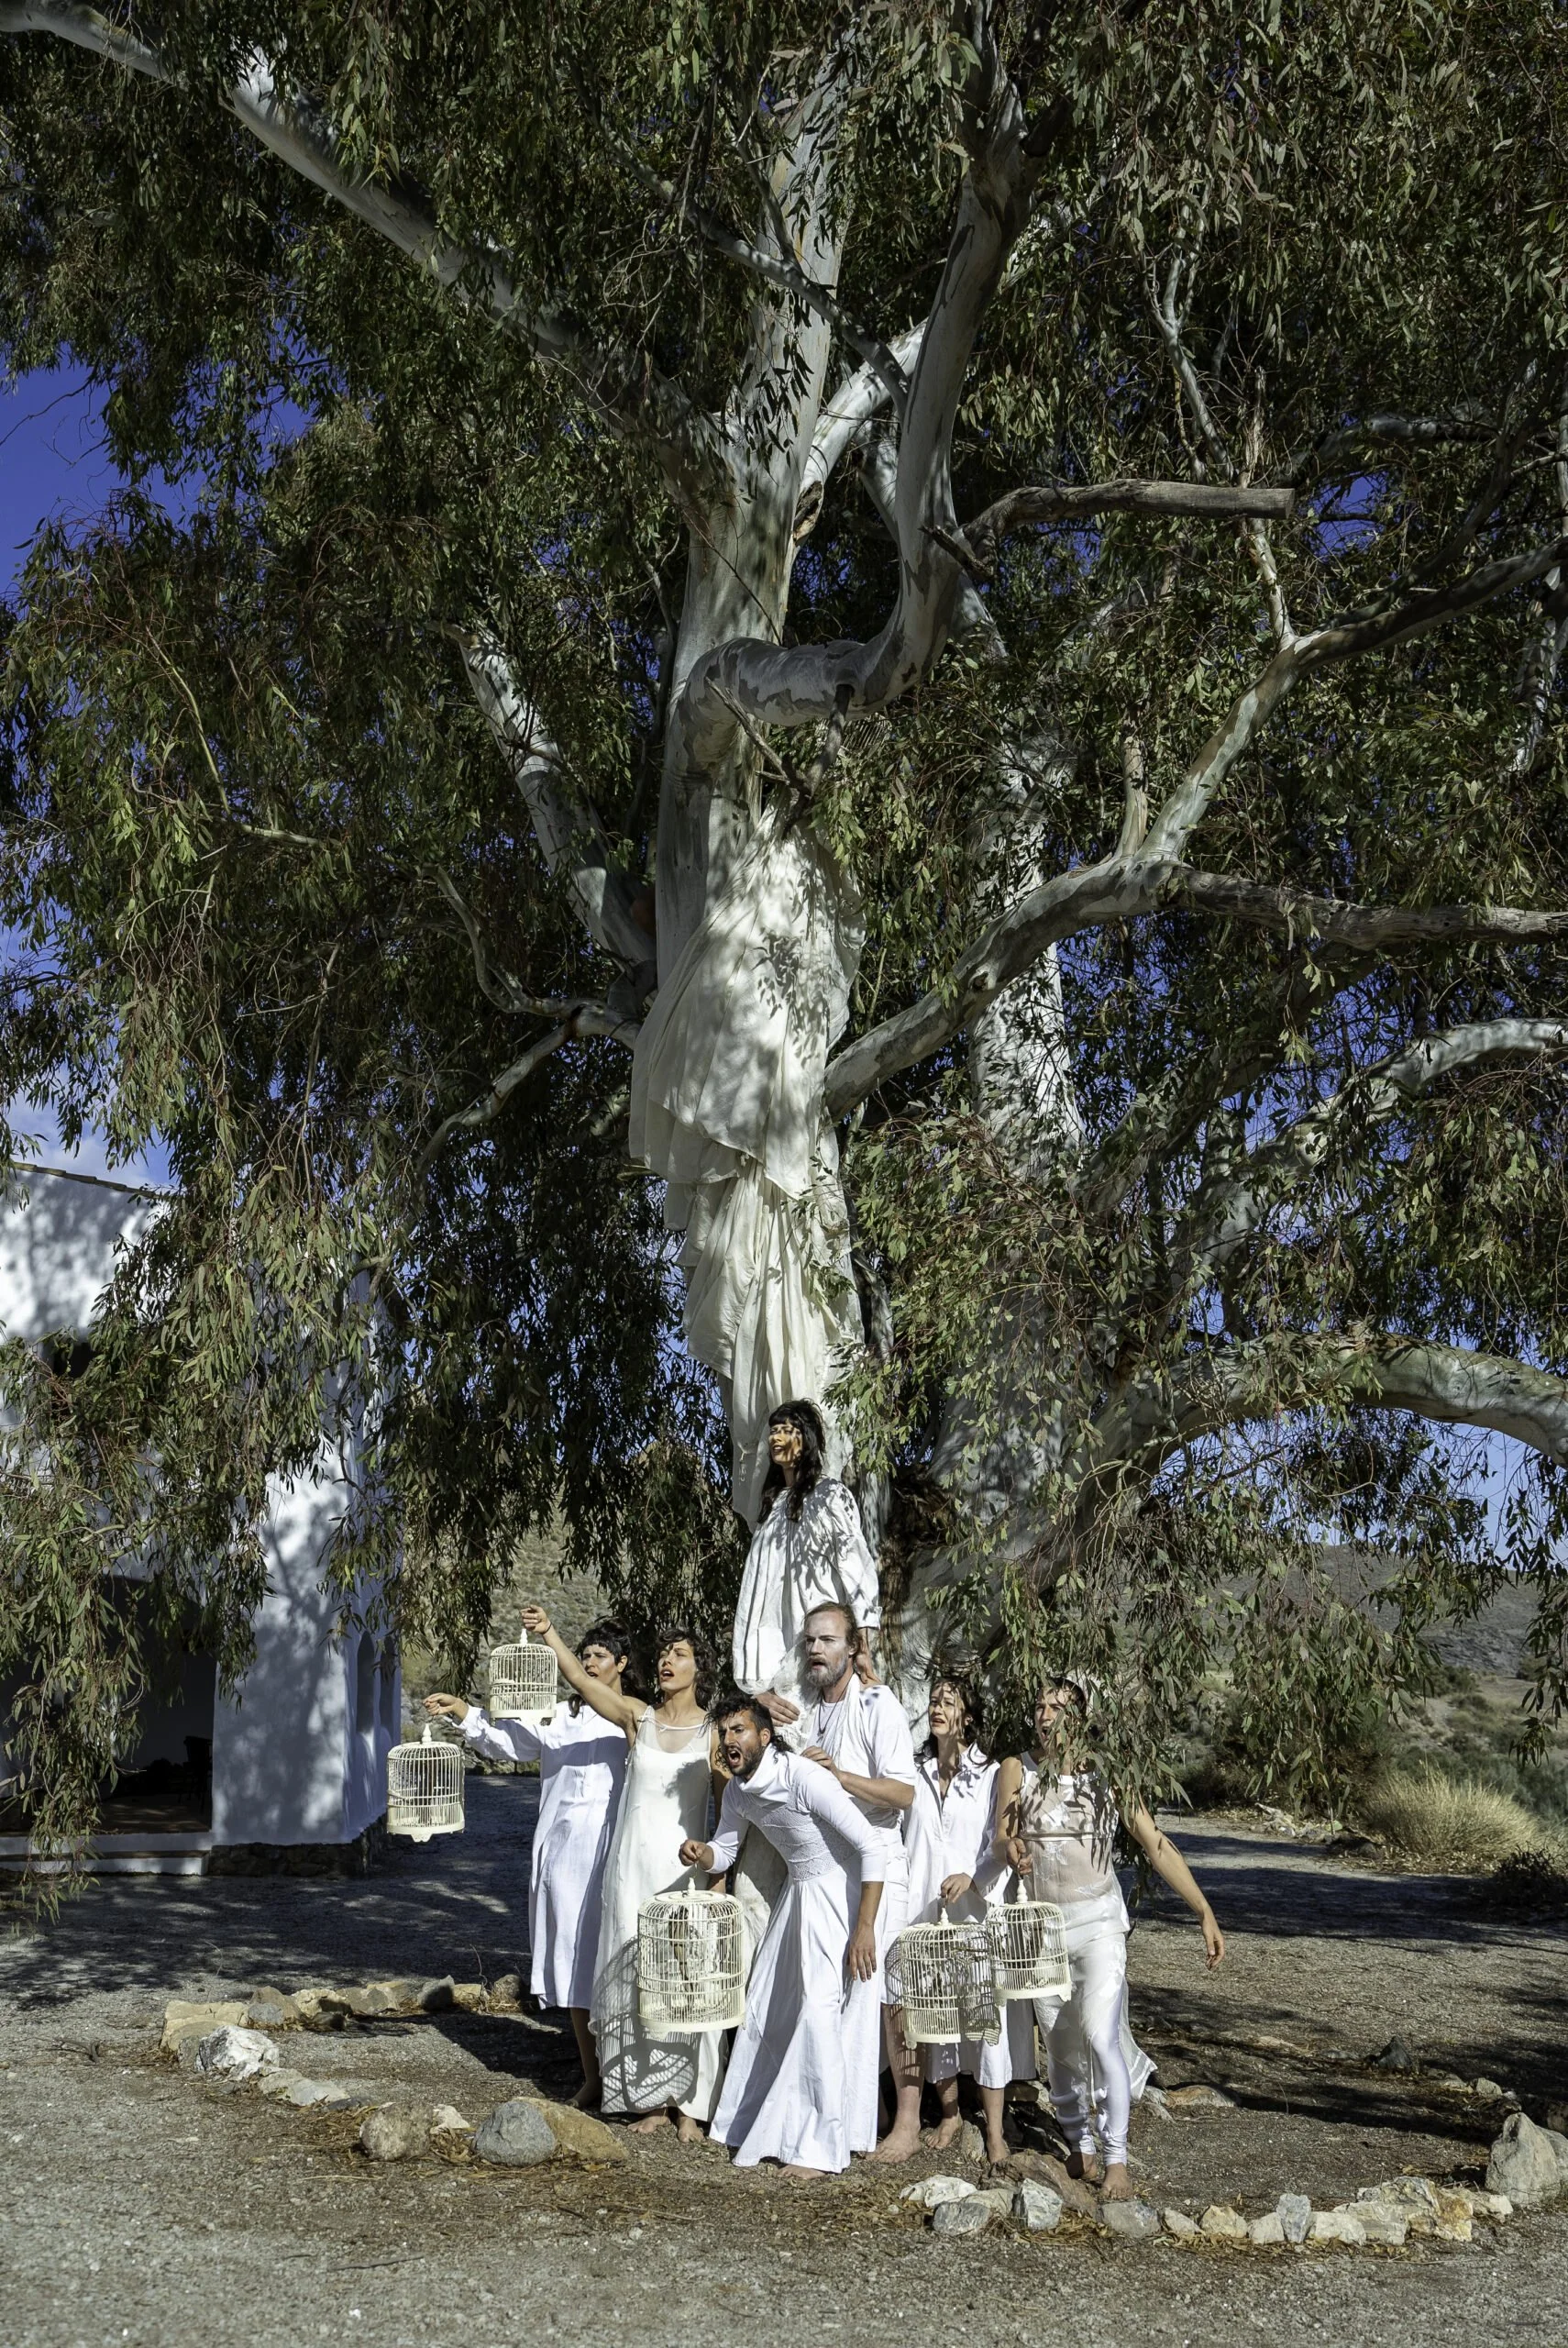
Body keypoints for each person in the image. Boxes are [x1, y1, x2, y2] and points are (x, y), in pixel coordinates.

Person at [994, 1677, 1225, 2200]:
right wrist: (1011, 1849)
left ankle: (1116, 2157)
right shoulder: (1017, 1769)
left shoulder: (1107, 1774)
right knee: (1059, 2043)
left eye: (1058, 1706)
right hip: (1042, 1927)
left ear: (1081, 1716)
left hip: (1099, 1921)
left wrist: (1203, 1909)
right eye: (1039, 1704)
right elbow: (1001, 1833)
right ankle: (1080, 2143)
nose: (1045, 1715)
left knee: (1100, 2036)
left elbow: (1156, 1844)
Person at [519, 1603, 726, 2143]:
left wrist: (719, 1867)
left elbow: (730, 1814)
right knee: (631, 1977)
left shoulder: (713, 1734)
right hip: (630, 1865)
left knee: (683, 1977)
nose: (667, 1661)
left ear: (699, 1668)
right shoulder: (639, 1716)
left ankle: (689, 2105)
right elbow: (581, 1681)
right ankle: (645, 2098)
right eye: (663, 1653)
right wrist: (550, 1634)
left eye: (679, 1655)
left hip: (681, 1871)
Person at [425, 1619, 632, 2108]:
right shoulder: (561, 1716)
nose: (589, 1663)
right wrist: (466, 1714)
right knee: (576, 1964)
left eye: (600, 1655)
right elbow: (510, 1743)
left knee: (618, 1960)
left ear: (622, 1664)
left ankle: (630, 2078)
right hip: (564, 1855)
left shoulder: (633, 1717)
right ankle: (593, 2074)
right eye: (585, 1654)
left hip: (617, 1851)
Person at [680, 1694, 885, 2177]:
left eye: (740, 1731)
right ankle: (771, 2124)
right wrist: (700, 1853)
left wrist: (864, 1928)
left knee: (818, 2009)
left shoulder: (803, 1777)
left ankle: (820, 2147)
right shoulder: (737, 1792)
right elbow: (725, 1853)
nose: (730, 1741)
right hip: (799, 1892)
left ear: (765, 1737)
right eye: (725, 1732)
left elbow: (870, 1847)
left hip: (842, 1889)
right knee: (768, 2003)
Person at [794, 1601, 922, 2162]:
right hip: (828, 1870)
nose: (816, 1650)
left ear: (851, 1648)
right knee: (834, 1995)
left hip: (882, 1865)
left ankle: (908, 2122)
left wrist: (838, 1777)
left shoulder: (879, 1703)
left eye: (827, 1640)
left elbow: (904, 1793)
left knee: (887, 1993)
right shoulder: (806, 1711)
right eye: (809, 1642)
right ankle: (845, 2114)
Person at [902, 1670, 1010, 2165]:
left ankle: (994, 2130)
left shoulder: (989, 1775)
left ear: (969, 1714)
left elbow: (1000, 1844)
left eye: (949, 1701)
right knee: (934, 2014)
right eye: (933, 1700)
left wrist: (972, 1875)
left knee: (985, 2020)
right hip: (924, 1911)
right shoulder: (915, 1772)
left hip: (974, 1915)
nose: (938, 1708)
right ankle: (949, 2113)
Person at [732, 1400, 882, 1722]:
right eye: (773, 1431)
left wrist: (864, 1647)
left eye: (787, 1430)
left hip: (822, 1647)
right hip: (777, 1655)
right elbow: (755, 1596)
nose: (776, 1438)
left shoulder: (830, 1495)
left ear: (806, 1439)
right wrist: (754, 1682)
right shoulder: (771, 1508)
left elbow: (857, 1570)